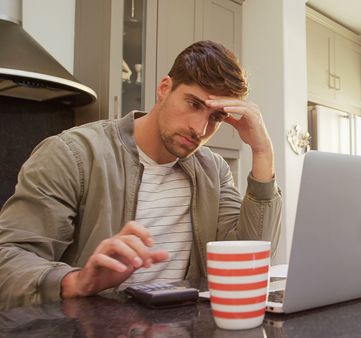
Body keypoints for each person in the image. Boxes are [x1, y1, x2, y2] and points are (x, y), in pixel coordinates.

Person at [0, 41, 282, 309]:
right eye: (194, 104)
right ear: (164, 88)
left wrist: (262, 151)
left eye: (215, 117)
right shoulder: (71, 155)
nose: (199, 128)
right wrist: (77, 281)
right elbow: (9, 260)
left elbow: (247, 259)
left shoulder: (213, 170)